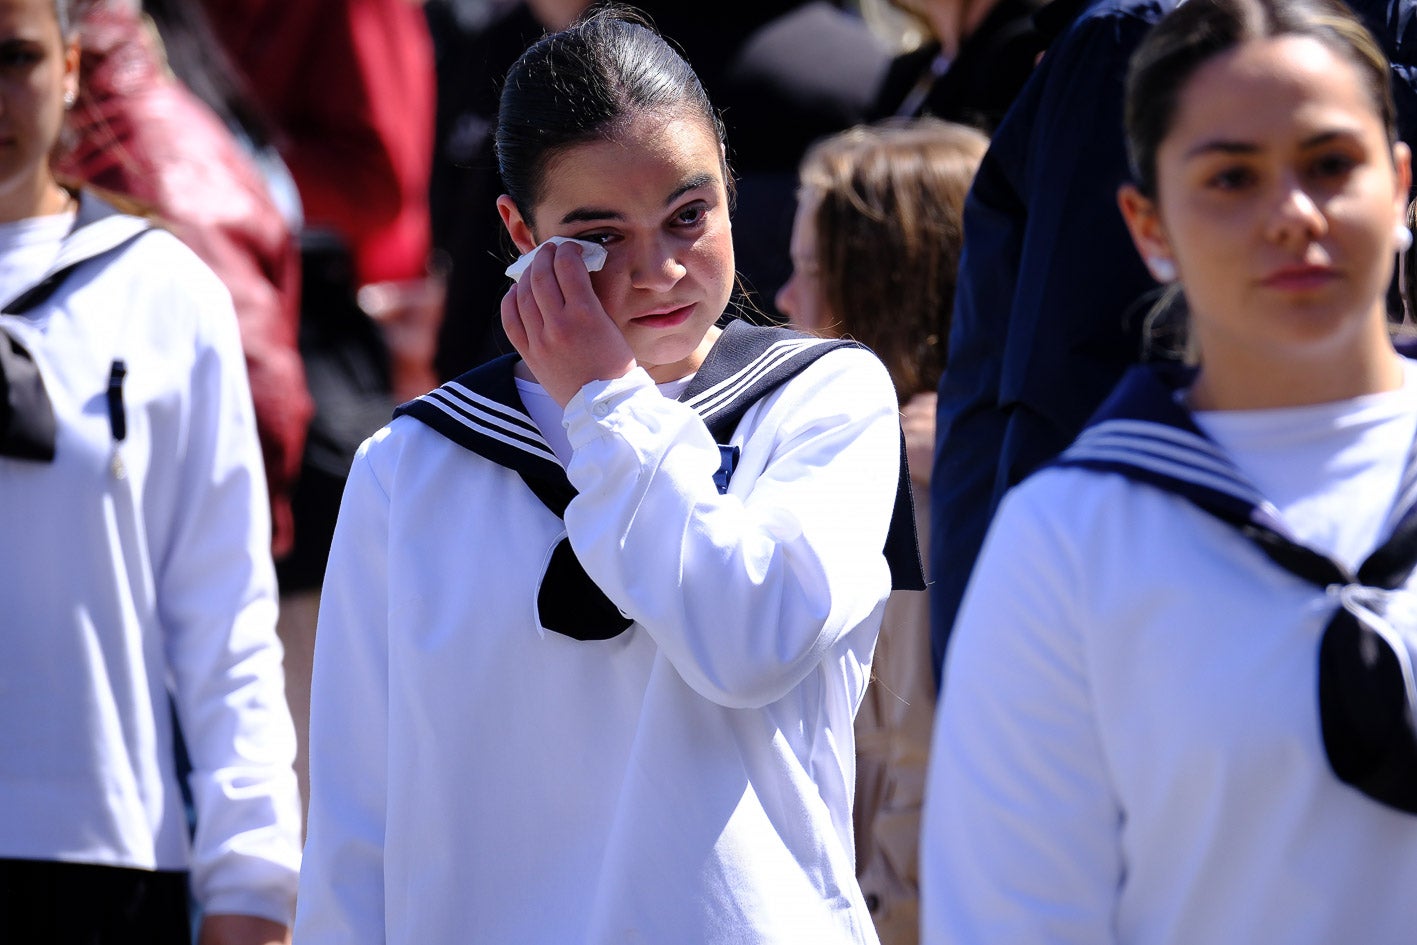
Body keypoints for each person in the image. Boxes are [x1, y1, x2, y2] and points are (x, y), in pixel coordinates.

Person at [294, 9, 921, 943]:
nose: (659, 269)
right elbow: (355, 816)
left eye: (687, 214)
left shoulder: (821, 399)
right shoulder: (412, 466)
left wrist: (603, 401)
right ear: (518, 229)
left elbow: (745, 637)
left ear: (729, 185)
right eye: (599, 236)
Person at [920, 0, 1417, 940]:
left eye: (1329, 164)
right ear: (1145, 225)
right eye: (1231, 176)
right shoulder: (1066, 543)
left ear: (1398, 183)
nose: (1291, 215)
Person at [0, 0, 302, 943]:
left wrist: (255, 879)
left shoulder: (163, 291)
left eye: (14, 56)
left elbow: (225, 620)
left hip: (99, 860)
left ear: (75, 66)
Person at [775, 117, 986, 945]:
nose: (784, 301)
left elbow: (916, 770)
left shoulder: (918, 492)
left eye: (807, 273)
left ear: (886, 290)